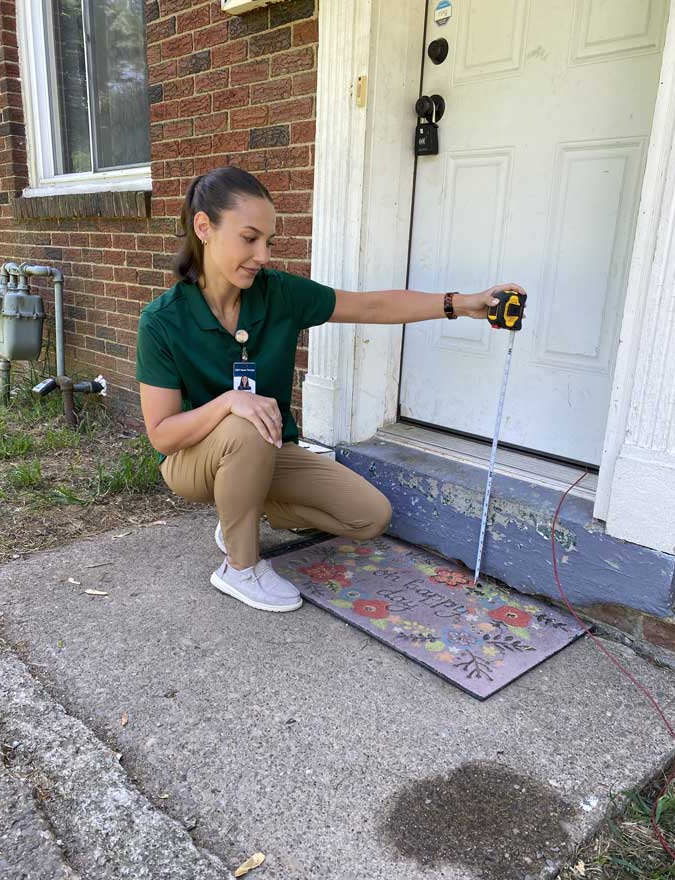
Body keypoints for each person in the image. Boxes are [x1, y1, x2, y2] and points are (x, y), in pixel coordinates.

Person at [135, 166, 525, 613]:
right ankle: (240, 568)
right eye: (249, 238)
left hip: (264, 450)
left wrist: (462, 303)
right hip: (193, 461)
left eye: (269, 241)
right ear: (204, 228)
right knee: (243, 422)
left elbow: (372, 305)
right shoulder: (162, 321)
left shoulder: (278, 294)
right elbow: (163, 434)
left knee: (368, 516)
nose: (262, 254)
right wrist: (229, 402)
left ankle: (238, 514)